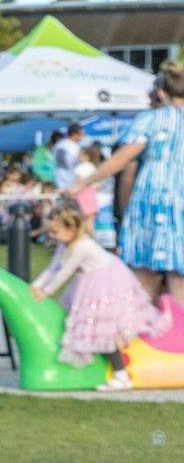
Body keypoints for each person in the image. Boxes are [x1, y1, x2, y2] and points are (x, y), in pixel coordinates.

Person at [74, 63, 184, 303]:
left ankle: (143, 333)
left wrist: (86, 182)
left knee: (143, 273)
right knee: (179, 272)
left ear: (162, 93)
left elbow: (122, 160)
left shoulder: (152, 120)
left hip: (153, 199)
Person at [32, 204, 167, 390]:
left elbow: (65, 272)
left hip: (105, 282)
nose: (51, 236)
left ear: (71, 229)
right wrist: (35, 286)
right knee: (91, 328)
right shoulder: (64, 245)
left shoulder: (82, 246)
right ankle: (108, 371)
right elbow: (52, 269)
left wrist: (46, 292)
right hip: (89, 280)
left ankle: (121, 376)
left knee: (105, 330)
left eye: (55, 232)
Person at [51, 123, 83, 193]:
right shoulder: (75, 147)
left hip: (58, 180)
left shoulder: (58, 144)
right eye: (82, 134)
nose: (83, 136)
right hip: (71, 182)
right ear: (75, 133)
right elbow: (79, 163)